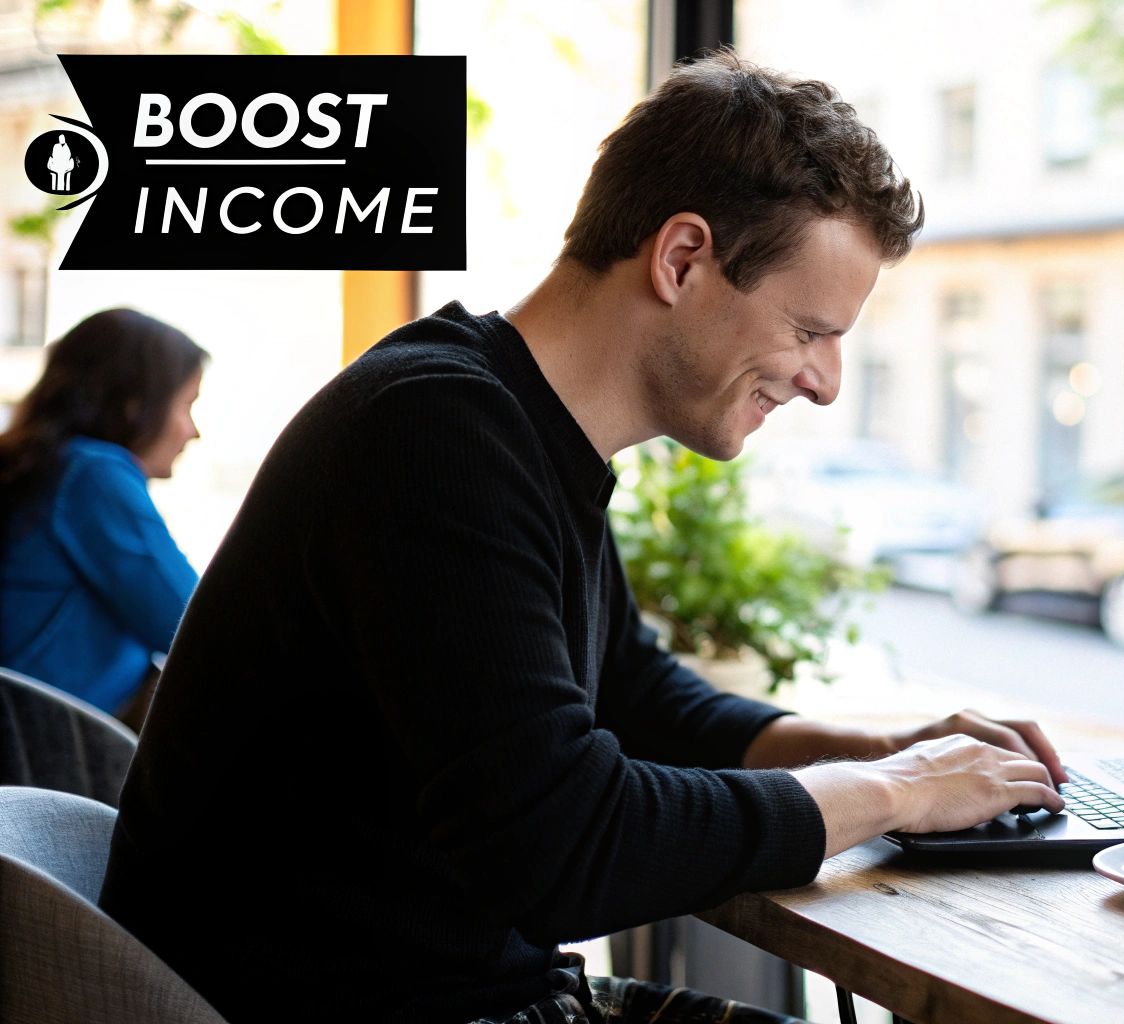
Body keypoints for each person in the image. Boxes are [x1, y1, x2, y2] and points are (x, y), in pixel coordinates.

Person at [101, 49, 1069, 1024]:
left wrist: (891, 749)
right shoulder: (434, 435)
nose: (824, 382)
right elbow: (562, 845)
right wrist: (893, 792)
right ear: (680, 259)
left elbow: (637, 697)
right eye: (810, 330)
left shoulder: (508, 425)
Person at [0, 308, 205, 730]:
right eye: (186, 406)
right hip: (42, 747)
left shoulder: (44, 469)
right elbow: (198, 623)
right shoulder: (91, 475)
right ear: (134, 406)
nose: (193, 431)